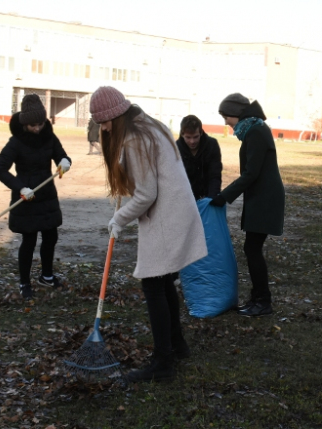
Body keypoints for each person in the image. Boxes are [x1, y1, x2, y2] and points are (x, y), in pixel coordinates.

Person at [92, 86, 207, 382]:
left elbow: (146, 194)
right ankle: (177, 346)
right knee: (163, 279)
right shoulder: (148, 125)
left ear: (116, 117)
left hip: (167, 216)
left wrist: (119, 218)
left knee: (153, 284)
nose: (102, 128)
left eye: (104, 122)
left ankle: (162, 363)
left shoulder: (135, 138)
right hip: (174, 211)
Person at [211, 93, 285, 317]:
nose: (226, 122)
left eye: (226, 117)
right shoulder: (255, 129)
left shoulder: (256, 132)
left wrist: (224, 196)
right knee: (252, 248)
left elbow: (251, 173)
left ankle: (263, 301)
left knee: (252, 249)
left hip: (265, 199)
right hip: (261, 198)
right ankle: (258, 299)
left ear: (236, 113)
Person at [0, 94, 71, 299]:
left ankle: (46, 276)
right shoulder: (16, 142)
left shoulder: (49, 136)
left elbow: (61, 154)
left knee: (50, 236)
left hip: (47, 195)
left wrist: (64, 161)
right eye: (33, 125)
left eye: (40, 123)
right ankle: (24, 282)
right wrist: (20, 188)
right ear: (25, 124)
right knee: (29, 240)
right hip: (26, 197)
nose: (37, 128)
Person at [175, 114, 222, 200]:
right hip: (184, 199)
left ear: (201, 132)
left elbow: (215, 174)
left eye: (195, 137)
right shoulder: (175, 149)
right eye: (188, 137)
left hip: (207, 196)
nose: (192, 141)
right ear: (182, 134)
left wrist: (211, 199)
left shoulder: (212, 145)